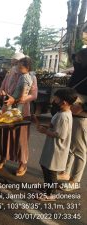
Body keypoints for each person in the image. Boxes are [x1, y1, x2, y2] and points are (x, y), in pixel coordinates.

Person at [0, 54, 38, 176]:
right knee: (5, 137)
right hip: (7, 110)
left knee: (21, 139)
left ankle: (23, 163)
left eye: (16, 62)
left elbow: (34, 95)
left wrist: (19, 99)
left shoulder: (30, 77)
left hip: (22, 112)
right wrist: (2, 93)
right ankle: (3, 158)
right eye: (13, 62)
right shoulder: (9, 74)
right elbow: (2, 88)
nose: (14, 65)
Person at [38, 88, 77, 201]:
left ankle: (51, 194)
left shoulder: (64, 116)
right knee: (45, 167)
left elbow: (61, 135)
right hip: (52, 147)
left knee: (50, 171)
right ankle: (48, 187)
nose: (54, 100)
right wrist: (46, 128)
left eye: (56, 98)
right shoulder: (61, 112)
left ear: (63, 102)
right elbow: (54, 126)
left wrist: (45, 131)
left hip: (57, 149)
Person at [58, 48, 87, 191]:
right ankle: (66, 172)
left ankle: (75, 180)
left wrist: (83, 107)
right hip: (72, 112)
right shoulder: (79, 71)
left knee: (80, 148)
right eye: (76, 58)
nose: (76, 60)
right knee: (70, 146)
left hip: (82, 115)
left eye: (80, 58)